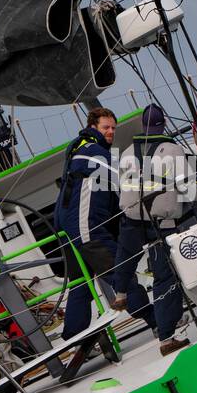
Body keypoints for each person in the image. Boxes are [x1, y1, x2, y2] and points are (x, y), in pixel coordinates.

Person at [53, 107, 147, 339]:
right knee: (122, 275)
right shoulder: (92, 151)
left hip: (68, 229)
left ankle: (72, 338)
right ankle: (157, 320)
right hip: (86, 230)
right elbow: (122, 181)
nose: (111, 132)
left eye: (113, 128)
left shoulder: (79, 150)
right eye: (106, 127)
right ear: (92, 127)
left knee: (81, 286)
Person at [115, 104, 192, 356]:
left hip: (131, 222)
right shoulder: (172, 149)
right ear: (164, 125)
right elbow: (188, 188)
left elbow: (121, 190)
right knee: (165, 277)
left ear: (143, 126)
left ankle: (120, 292)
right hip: (161, 224)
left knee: (126, 258)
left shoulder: (125, 153)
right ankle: (167, 336)